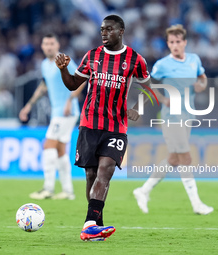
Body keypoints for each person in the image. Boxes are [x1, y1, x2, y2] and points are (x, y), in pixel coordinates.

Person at [55, 15, 151, 241]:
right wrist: (63, 69)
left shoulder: (135, 59)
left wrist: (138, 107)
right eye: (102, 30)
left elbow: (149, 87)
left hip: (116, 126)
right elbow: (72, 84)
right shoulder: (92, 56)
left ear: (121, 31)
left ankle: (88, 224)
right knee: (90, 174)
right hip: (90, 123)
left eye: (109, 29)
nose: (104, 33)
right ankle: (96, 225)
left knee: (105, 169)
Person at [133, 24, 214, 215]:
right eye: (171, 42)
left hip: (188, 114)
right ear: (168, 44)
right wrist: (162, 99)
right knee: (186, 157)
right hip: (171, 117)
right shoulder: (163, 64)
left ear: (184, 42)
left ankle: (143, 191)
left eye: (178, 42)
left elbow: (203, 77)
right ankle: (197, 204)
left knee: (174, 159)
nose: (175, 45)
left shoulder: (194, 60)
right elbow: (147, 85)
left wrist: (202, 85)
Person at [19, 33, 84, 200]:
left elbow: (82, 79)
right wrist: (29, 105)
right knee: (60, 151)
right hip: (59, 112)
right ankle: (68, 191)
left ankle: (48, 188)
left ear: (57, 45)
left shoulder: (63, 60)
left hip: (65, 112)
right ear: (42, 46)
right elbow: (44, 86)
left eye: (51, 43)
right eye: (45, 44)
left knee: (48, 145)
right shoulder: (44, 65)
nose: (48, 46)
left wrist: (70, 100)